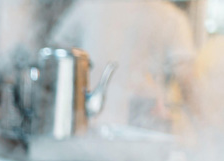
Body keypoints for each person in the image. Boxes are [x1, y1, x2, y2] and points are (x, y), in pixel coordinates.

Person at [50, 0, 197, 131]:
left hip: (89, 129)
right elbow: (187, 82)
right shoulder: (170, 16)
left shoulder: (88, 6)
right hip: (143, 133)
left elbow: (55, 55)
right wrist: (205, 131)